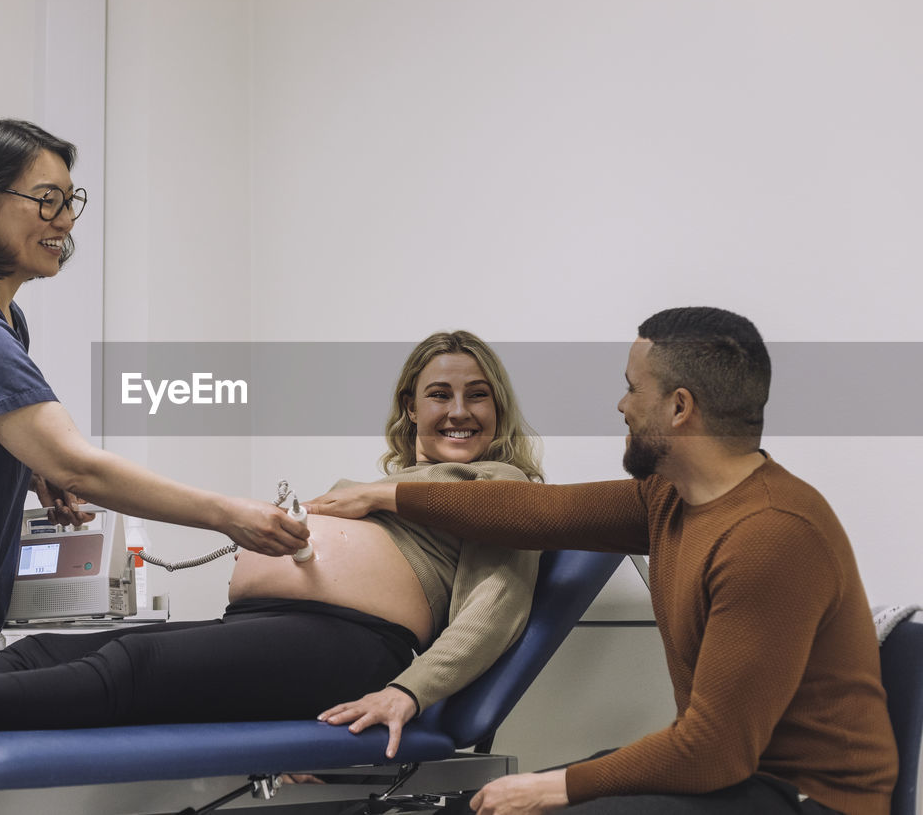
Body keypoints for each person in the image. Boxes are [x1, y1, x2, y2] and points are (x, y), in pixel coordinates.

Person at [0, 330, 542, 755]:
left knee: (135, 661)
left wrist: (406, 691)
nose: (458, 409)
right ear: (410, 406)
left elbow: (498, 603)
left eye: (477, 393)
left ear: (498, 407)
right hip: (272, 637)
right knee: (50, 649)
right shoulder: (390, 481)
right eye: (440, 393)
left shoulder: (504, 486)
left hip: (352, 646)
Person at [307, 308, 897, 815]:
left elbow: (715, 751)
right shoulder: (670, 497)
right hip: (733, 777)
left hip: (802, 797)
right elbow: (534, 512)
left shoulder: (771, 535)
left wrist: (551, 787)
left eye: (633, 388)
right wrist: (382, 493)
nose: (621, 405)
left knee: (531, 802)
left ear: (679, 407)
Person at [0, 119, 308, 670]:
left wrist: (27, 465)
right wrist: (228, 514)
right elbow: (79, 467)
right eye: (47, 201)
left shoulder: (1, 318)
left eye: (70, 203)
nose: (64, 221)